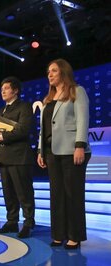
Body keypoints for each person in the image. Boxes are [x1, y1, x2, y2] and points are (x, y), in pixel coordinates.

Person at [37, 59, 91, 249]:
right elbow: (44, 129)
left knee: (72, 194)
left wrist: (79, 145)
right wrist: (40, 150)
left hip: (71, 150)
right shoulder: (48, 99)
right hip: (52, 152)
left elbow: (83, 120)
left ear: (63, 72)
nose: (49, 74)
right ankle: (58, 234)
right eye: (48, 71)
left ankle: (74, 236)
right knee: (56, 195)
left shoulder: (77, 91)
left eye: (53, 71)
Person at [0, 76, 36, 238]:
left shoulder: (24, 107)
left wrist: (2, 137)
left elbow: (22, 130)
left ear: (15, 90)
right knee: (8, 193)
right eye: (2, 89)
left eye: (6, 88)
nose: (3, 91)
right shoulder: (0, 111)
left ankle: (28, 222)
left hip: (19, 157)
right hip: (3, 158)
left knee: (24, 192)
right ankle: (12, 221)